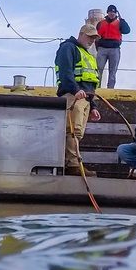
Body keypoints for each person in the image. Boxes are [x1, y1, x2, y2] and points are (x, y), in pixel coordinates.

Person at [55, 23, 102, 176]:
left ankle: (73, 162)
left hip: (84, 99)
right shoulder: (68, 48)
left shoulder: (87, 54)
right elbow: (66, 73)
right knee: (73, 131)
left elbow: (89, 84)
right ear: (81, 34)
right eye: (89, 37)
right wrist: (76, 91)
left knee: (77, 132)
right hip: (73, 96)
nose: (92, 41)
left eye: (94, 38)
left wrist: (93, 105)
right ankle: (72, 164)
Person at [96, 4, 130, 89]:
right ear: (107, 12)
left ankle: (110, 89)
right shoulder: (101, 23)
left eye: (114, 12)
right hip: (102, 48)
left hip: (114, 49)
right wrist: (98, 47)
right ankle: (97, 87)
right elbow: (96, 36)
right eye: (110, 11)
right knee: (98, 69)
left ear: (116, 13)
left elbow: (127, 30)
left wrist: (122, 19)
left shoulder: (119, 23)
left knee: (113, 71)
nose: (112, 13)